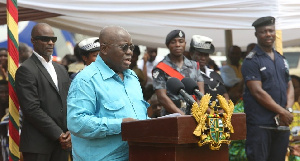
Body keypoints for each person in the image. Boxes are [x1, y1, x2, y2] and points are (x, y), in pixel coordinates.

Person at [67, 26, 149, 161]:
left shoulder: (132, 77)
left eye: (131, 47)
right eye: (124, 47)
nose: (129, 52)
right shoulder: (86, 79)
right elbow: (77, 122)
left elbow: (139, 118)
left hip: (136, 155)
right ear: (104, 49)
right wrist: (120, 125)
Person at [15, 23, 71, 161]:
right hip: (38, 145)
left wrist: (70, 131)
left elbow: (69, 101)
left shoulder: (61, 69)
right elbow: (31, 108)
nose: (50, 42)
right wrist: (59, 134)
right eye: (45, 39)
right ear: (33, 40)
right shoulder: (26, 69)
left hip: (63, 143)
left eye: (53, 39)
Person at [241, 16, 294, 161]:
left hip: (281, 123)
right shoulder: (251, 60)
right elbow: (257, 92)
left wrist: (287, 110)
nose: (268, 34)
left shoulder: (281, 59)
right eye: (263, 31)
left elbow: (289, 85)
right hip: (260, 125)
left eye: (271, 30)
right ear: (256, 34)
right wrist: (282, 111)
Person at [152, 29, 204, 116]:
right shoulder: (160, 68)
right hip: (172, 116)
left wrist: (199, 111)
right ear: (168, 45)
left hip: (195, 115)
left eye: (181, 41)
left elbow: (200, 91)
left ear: (185, 44)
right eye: (173, 42)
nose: (177, 45)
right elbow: (162, 97)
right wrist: (182, 115)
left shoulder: (195, 65)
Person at [189, 35, 229, 102]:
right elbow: (196, 101)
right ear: (191, 54)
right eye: (200, 54)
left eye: (206, 55)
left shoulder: (214, 74)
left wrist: (223, 110)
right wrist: (213, 112)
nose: (203, 58)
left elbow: (225, 96)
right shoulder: (188, 74)